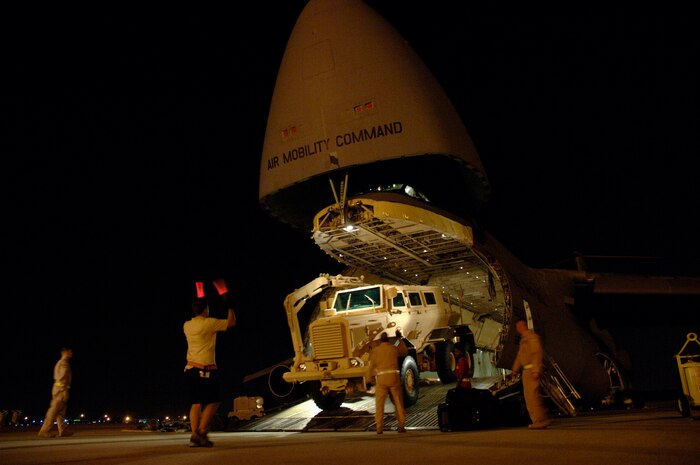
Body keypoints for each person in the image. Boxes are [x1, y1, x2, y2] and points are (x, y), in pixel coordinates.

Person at [183, 282, 236, 448]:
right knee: (214, 401)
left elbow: (200, 309)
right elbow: (231, 323)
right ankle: (201, 431)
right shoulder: (210, 323)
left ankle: (194, 436)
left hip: (190, 369)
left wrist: (200, 292)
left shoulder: (187, 325)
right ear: (205, 309)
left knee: (196, 403)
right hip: (206, 370)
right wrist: (229, 304)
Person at [511, 319, 551, 429]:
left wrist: (536, 370)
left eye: (519, 326)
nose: (517, 329)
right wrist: (515, 369)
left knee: (533, 396)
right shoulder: (524, 340)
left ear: (523, 326)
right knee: (529, 397)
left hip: (531, 370)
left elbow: (536, 354)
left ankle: (541, 419)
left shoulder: (532, 338)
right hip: (526, 371)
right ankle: (537, 420)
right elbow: (520, 357)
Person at [367, 331, 408, 434]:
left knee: (380, 403)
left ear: (380, 340)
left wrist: (368, 380)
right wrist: (399, 339)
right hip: (394, 377)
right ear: (388, 340)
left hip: (381, 378)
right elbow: (404, 351)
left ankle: (379, 427)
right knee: (398, 402)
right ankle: (401, 425)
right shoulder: (393, 348)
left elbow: (371, 366)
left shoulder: (376, 351)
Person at [38, 347, 73, 438]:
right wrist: (64, 390)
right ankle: (44, 430)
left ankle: (63, 430)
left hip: (58, 389)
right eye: (70, 351)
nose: (71, 353)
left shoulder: (62, 363)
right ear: (65, 352)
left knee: (60, 412)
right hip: (60, 390)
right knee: (53, 411)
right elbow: (62, 378)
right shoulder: (63, 363)